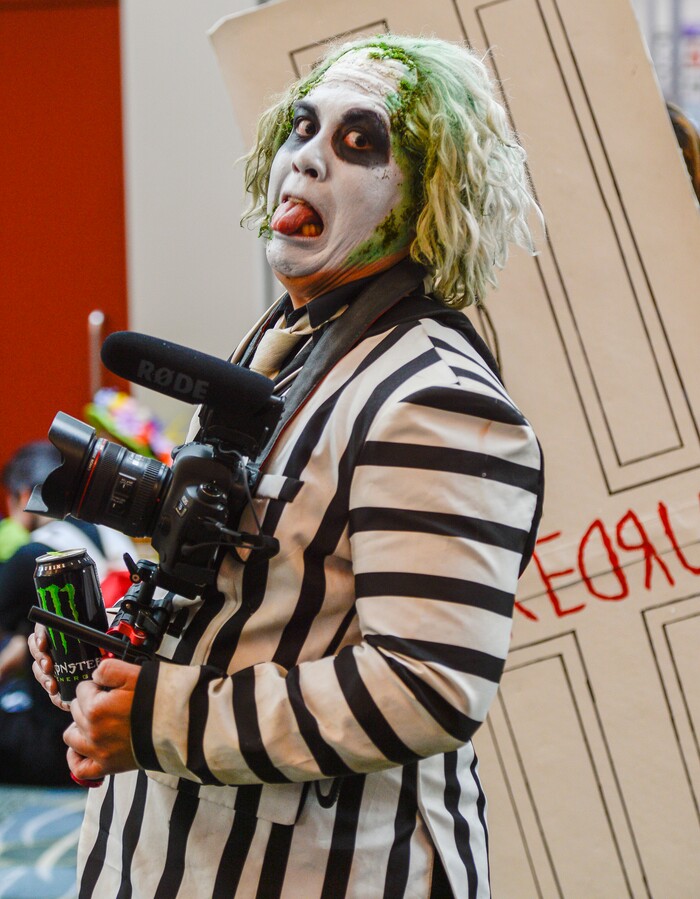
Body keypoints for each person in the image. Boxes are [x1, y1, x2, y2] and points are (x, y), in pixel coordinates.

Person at [30, 35, 544, 896]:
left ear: (425, 194)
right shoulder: (284, 345)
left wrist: (161, 716)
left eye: (358, 143)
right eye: (301, 129)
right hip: (169, 852)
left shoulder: (436, 396)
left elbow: (428, 684)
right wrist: (111, 653)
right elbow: (249, 592)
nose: (305, 160)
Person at [0, 441, 134, 784]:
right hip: (130, 732)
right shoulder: (114, 535)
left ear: (24, 496)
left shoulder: (35, 556)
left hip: (71, 745)